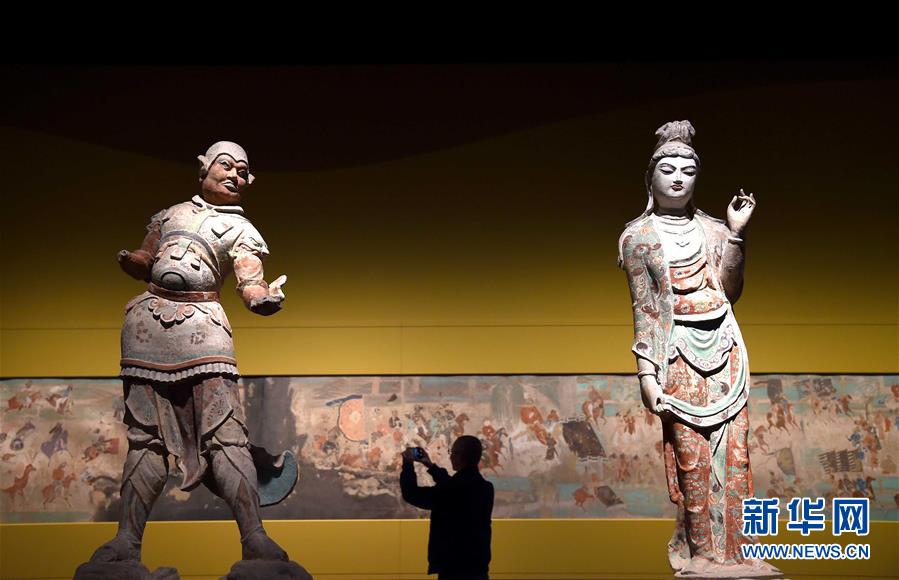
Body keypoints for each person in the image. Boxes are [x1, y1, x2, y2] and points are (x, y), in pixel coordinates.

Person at [89, 141, 296, 565]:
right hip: (147, 326)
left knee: (226, 434)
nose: (235, 175)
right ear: (204, 168)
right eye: (227, 165)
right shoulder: (170, 214)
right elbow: (147, 257)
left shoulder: (241, 229)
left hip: (205, 327)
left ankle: (254, 538)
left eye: (243, 171)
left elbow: (249, 281)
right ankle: (126, 541)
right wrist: (133, 261)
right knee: (145, 439)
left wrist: (261, 298)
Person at [618, 121, 780, 578]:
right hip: (676, 356)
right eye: (667, 170)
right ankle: (703, 553)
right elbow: (645, 309)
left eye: (687, 171)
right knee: (691, 460)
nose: (678, 178)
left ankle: (739, 553)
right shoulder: (638, 237)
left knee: (736, 458)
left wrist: (736, 234)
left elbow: (730, 290)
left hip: (726, 351)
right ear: (650, 177)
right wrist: (647, 374)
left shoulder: (713, 230)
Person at [401, 436, 494, 580]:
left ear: (459, 456)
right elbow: (454, 486)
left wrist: (407, 464)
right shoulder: (486, 488)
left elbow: (411, 494)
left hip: (453, 569)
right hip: (478, 567)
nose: (450, 457)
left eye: (452, 452)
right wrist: (430, 465)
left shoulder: (452, 490)